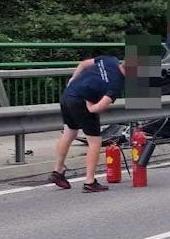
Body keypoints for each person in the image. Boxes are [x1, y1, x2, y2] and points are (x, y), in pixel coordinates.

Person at [51, 53, 130, 192]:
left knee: (69, 132)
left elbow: (82, 64)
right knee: (95, 141)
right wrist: (91, 108)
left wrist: (72, 79)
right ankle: (89, 181)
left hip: (68, 95)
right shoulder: (117, 84)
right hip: (82, 101)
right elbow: (100, 106)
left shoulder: (110, 60)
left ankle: (57, 171)